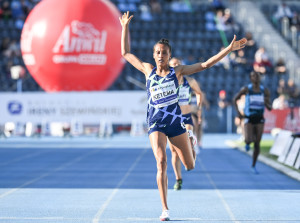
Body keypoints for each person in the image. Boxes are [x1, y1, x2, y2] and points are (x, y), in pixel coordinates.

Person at [119, 11, 247, 221]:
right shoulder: (147, 70)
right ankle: (165, 209)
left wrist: (228, 49)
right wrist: (124, 26)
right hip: (156, 124)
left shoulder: (177, 72)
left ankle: (190, 139)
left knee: (190, 166)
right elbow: (125, 53)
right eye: (158, 52)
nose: (161, 56)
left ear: (170, 56)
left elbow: (205, 64)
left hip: (176, 124)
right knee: (161, 161)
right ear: (154, 55)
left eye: (165, 53)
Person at [168, 57, 203, 191]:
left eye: (178, 64)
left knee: (188, 133)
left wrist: (198, 109)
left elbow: (199, 93)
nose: (176, 66)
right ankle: (178, 178)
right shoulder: (167, 83)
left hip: (186, 117)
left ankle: (190, 148)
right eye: (173, 65)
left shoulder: (190, 81)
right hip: (172, 119)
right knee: (174, 152)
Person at [233, 71, 272, 174]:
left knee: (257, 143)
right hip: (248, 117)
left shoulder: (265, 91)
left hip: (259, 118)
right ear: (250, 78)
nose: (256, 78)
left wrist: (266, 102)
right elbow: (235, 99)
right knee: (248, 139)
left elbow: (269, 107)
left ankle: (253, 165)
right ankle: (247, 142)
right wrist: (238, 113)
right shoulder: (247, 89)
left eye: (258, 76)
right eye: (254, 76)